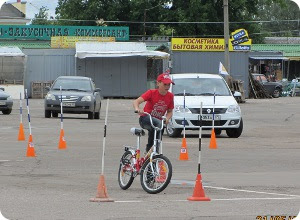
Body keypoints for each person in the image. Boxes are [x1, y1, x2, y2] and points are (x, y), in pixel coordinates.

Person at [133, 73, 174, 153]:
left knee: (157, 130)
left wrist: (167, 118)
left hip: (157, 122)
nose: (167, 87)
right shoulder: (151, 93)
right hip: (145, 118)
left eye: (169, 85)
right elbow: (136, 101)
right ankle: (154, 151)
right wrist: (137, 109)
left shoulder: (170, 96)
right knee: (159, 125)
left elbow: (170, 111)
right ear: (158, 83)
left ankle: (150, 154)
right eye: (165, 84)